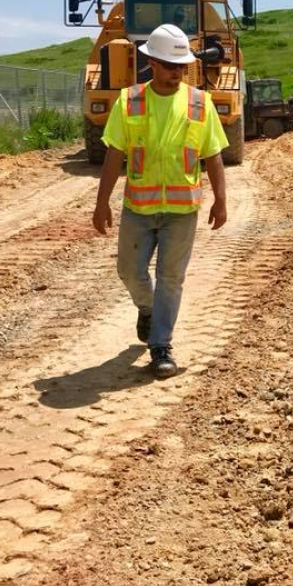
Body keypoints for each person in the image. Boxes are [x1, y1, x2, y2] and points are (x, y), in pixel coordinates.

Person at [93, 23, 229, 379]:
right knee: (129, 271)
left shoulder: (201, 103)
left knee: (171, 278)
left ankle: (161, 345)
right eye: (170, 65)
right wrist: (101, 201)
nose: (177, 73)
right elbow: (114, 154)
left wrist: (221, 200)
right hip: (138, 209)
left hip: (182, 212)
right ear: (151, 62)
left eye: (181, 66)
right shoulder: (130, 101)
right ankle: (148, 308)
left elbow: (213, 154)